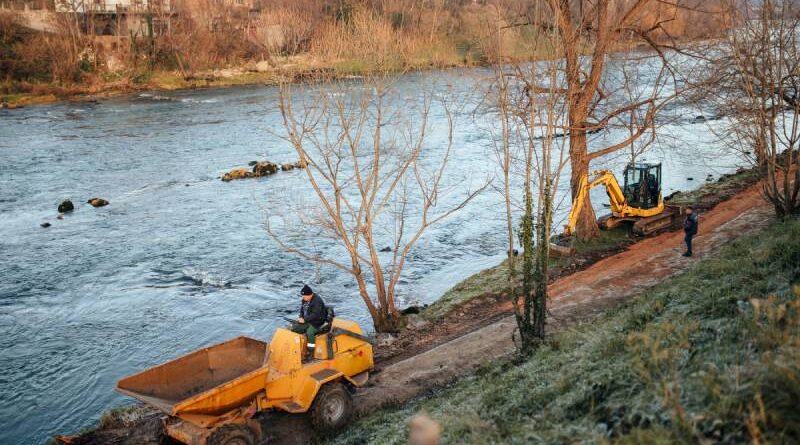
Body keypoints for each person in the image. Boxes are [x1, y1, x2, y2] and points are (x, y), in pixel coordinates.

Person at [291, 285, 326, 355]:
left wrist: (304, 319)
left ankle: (311, 351)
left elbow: (316, 315)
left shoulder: (317, 301)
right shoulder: (304, 300)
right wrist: (301, 317)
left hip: (317, 322)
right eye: (302, 296)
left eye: (304, 296)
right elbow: (302, 310)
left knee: (310, 332)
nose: (303, 298)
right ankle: (296, 346)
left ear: (310, 295)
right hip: (308, 320)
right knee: (295, 327)